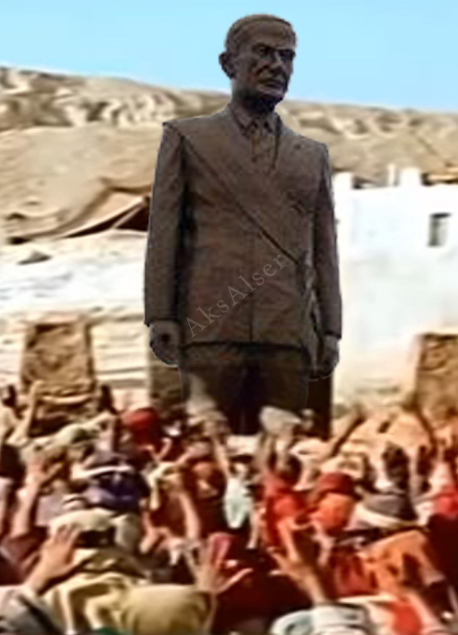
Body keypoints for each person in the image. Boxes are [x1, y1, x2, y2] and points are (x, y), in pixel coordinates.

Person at [144, 13, 343, 434]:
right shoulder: (188, 138)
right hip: (211, 325)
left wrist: (330, 329)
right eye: (263, 53)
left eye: (287, 56)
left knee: (287, 442)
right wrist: (160, 315)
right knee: (206, 439)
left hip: (287, 328)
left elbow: (324, 248)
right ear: (228, 63)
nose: (276, 66)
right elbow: (164, 235)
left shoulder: (312, 155)